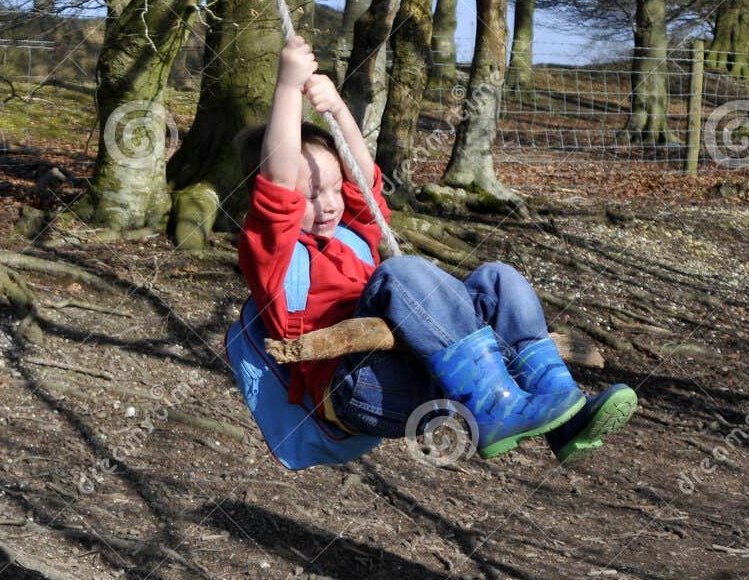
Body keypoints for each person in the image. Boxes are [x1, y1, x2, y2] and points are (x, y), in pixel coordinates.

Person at [236, 36, 637, 463]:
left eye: (334, 188)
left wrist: (336, 110)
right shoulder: (273, 256)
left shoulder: (352, 232)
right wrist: (286, 87)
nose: (331, 203)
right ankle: (495, 406)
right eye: (312, 195)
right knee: (401, 273)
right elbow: (278, 184)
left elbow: (363, 178)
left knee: (497, 278)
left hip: (416, 368)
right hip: (356, 387)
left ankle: (561, 405)